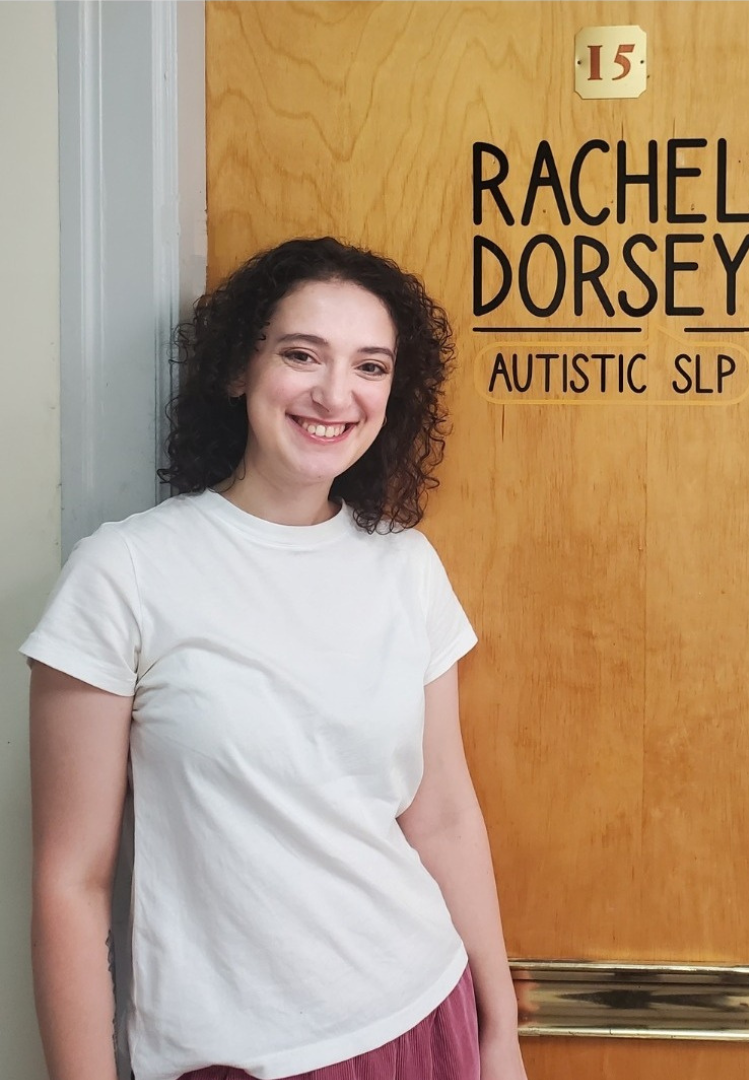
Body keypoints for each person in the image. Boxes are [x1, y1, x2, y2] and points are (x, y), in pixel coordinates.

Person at [23, 237, 528, 1080]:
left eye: (371, 366)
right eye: (302, 355)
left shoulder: (407, 567)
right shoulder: (125, 574)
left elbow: (442, 815)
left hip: (423, 1015)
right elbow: (70, 882)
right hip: (237, 1056)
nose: (336, 393)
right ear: (237, 370)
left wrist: (500, 1027)